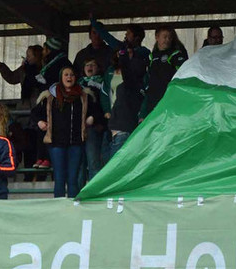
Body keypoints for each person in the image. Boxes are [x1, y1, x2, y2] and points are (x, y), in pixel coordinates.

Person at [33, 66, 97, 198]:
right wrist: (40, 122)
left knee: (73, 179)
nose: (69, 77)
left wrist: (91, 117)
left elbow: (96, 111)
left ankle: (73, 207)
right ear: (61, 78)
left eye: (72, 75)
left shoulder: (84, 96)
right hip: (56, 143)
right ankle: (59, 207)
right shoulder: (50, 96)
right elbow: (35, 113)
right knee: (59, 178)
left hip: (76, 142)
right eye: (66, 75)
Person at [91, 17, 150, 157]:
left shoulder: (143, 54)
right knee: (107, 154)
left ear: (137, 37)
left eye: (128, 33)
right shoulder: (112, 68)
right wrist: (95, 24)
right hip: (114, 117)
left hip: (130, 116)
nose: (125, 35)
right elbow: (108, 38)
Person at [0, 45, 45, 172]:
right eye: (27, 55)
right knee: (27, 145)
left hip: (39, 112)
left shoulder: (44, 69)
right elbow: (12, 77)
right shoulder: (23, 70)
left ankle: (40, 174)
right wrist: (1, 66)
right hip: (25, 115)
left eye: (29, 55)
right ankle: (29, 174)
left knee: (39, 145)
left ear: (37, 56)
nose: (27, 58)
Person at [140, 26, 188, 120]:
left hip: (169, 99)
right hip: (152, 99)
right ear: (157, 37)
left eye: (170, 37)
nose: (167, 40)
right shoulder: (151, 57)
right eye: (165, 37)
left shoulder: (176, 54)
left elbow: (183, 75)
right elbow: (147, 80)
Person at [79, 58, 113, 181]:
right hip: (78, 128)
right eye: (87, 65)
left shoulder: (103, 84)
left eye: (93, 65)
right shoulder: (78, 84)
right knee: (79, 164)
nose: (89, 67)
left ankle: (94, 189)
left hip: (94, 127)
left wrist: (94, 117)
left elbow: (104, 105)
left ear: (98, 68)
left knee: (94, 161)